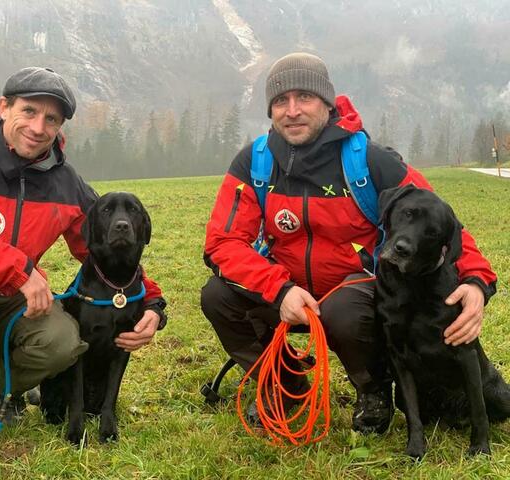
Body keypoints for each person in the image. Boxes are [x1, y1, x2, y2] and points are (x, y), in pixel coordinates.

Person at [201, 52, 496, 432]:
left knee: (342, 306)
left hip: (358, 293)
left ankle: (373, 391)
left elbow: (440, 220)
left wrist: (475, 281)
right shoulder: (254, 163)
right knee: (217, 296)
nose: (291, 111)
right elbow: (222, 243)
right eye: (280, 101)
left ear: (326, 102)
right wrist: (279, 289)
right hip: (287, 293)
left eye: (304, 98)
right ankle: (283, 385)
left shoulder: (369, 161)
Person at [0, 67, 167, 466]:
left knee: (65, 340)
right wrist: (16, 266)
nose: (39, 127)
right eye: (29, 111)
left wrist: (154, 305)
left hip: (14, 308)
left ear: (60, 126)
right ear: (4, 107)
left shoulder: (65, 182)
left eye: (51, 118)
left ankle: (4, 390)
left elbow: (104, 249)